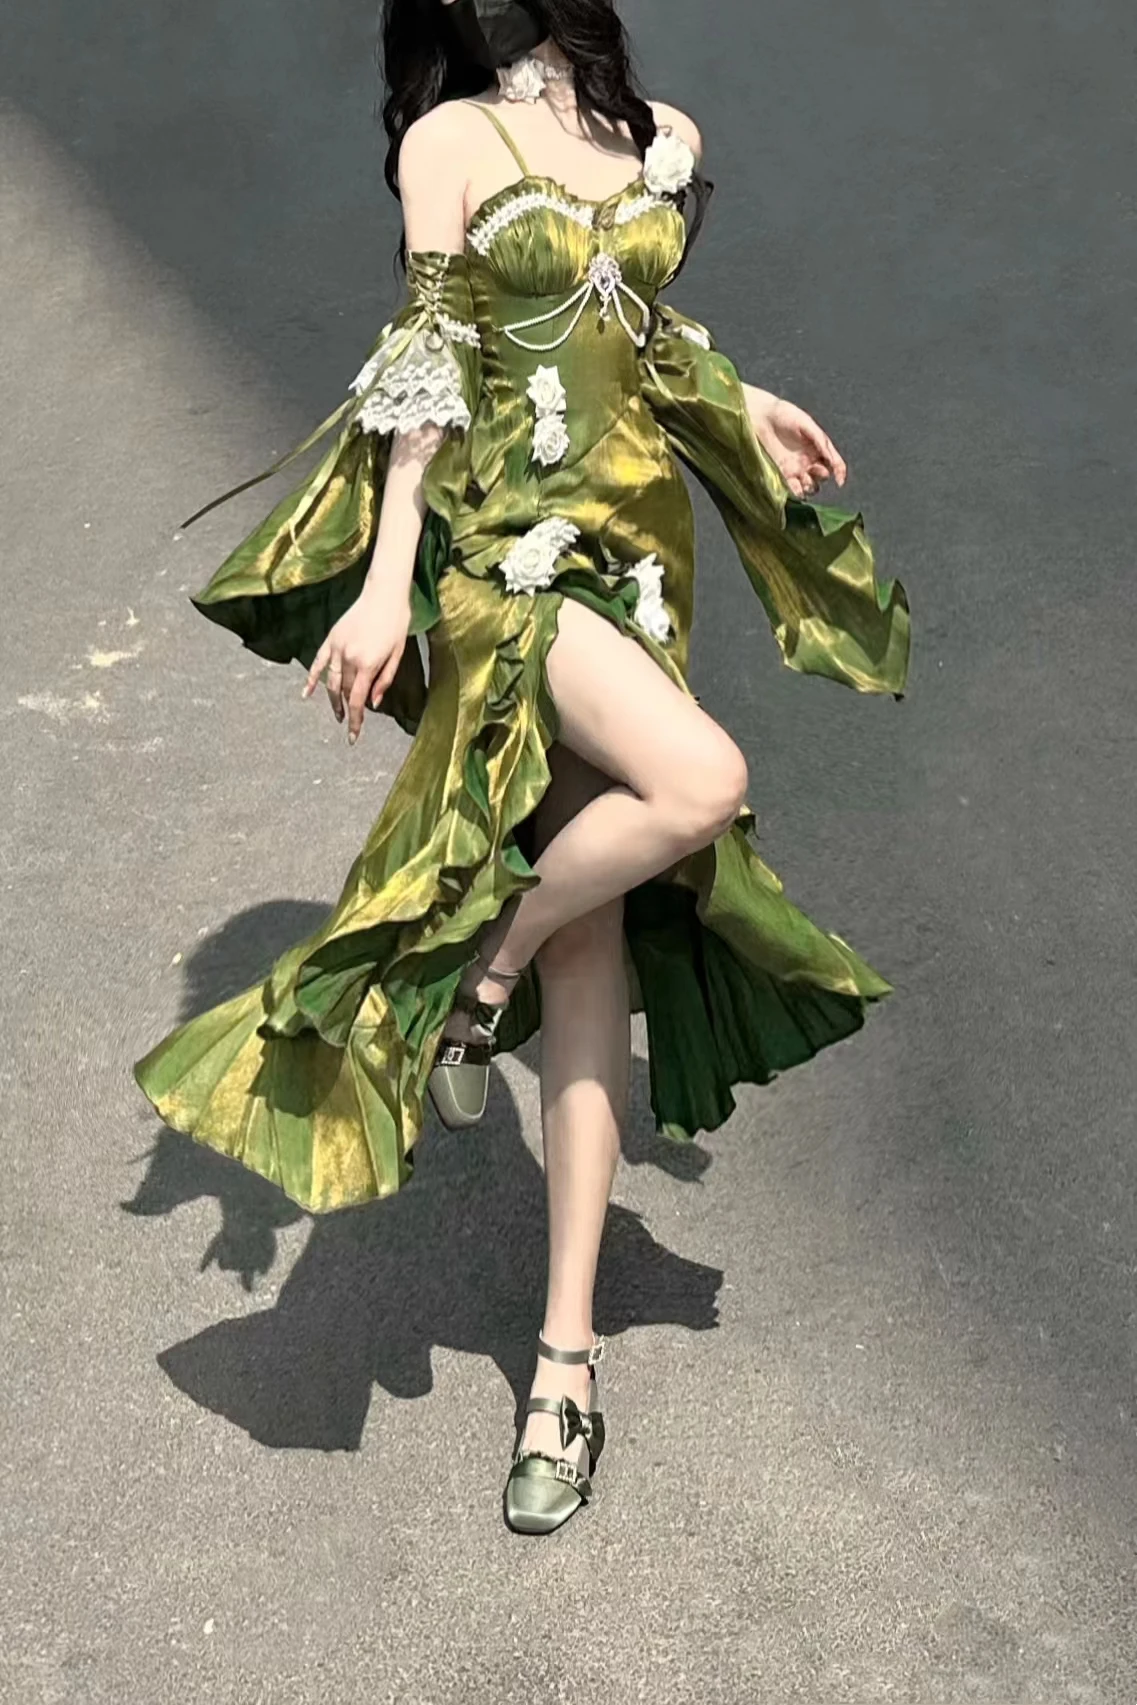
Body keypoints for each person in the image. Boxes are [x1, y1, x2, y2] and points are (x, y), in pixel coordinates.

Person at [134, 0, 910, 1536]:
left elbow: (628, 322)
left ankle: (564, 1361)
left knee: (593, 952)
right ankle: (479, 964)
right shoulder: (449, 140)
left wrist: (742, 403)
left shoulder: (650, 132)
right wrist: (384, 588)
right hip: (510, 560)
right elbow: (425, 368)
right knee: (700, 784)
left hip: (639, 563)